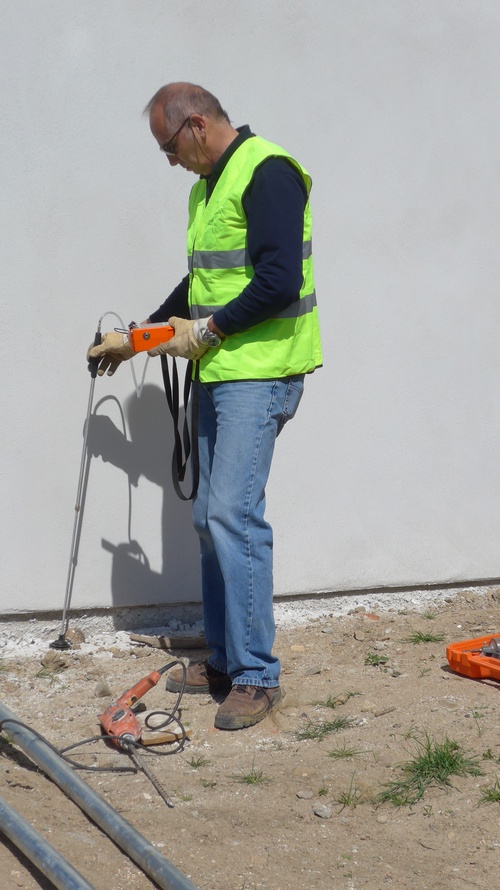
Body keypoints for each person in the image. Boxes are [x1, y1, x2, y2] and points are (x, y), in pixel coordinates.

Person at [88, 82, 322, 730]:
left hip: (261, 369)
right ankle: (223, 660)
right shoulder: (206, 187)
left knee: (233, 516)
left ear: (195, 124)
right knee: (208, 520)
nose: (169, 162)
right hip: (223, 373)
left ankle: (255, 675)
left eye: (168, 147)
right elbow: (204, 283)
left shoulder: (267, 172)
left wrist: (210, 332)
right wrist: (142, 336)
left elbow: (279, 281)